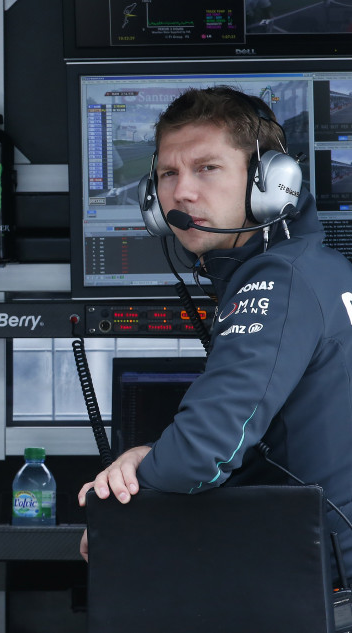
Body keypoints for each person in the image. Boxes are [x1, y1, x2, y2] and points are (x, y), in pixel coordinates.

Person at [77, 86, 352, 581]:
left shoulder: (279, 280)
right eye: (168, 173)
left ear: (272, 182)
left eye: (207, 167)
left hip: (322, 590)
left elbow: (199, 455)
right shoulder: (318, 266)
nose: (182, 192)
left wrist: (127, 493)